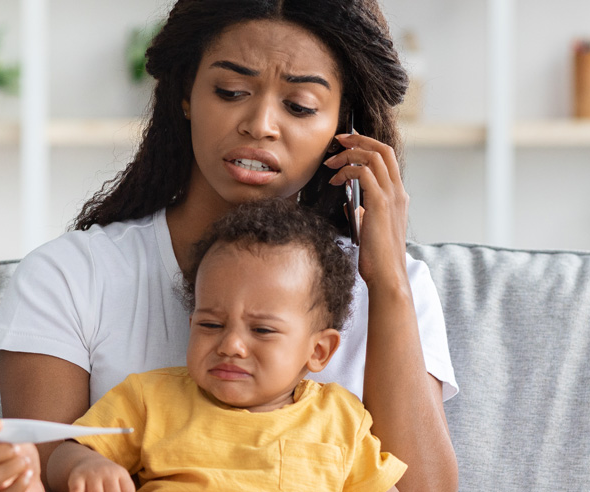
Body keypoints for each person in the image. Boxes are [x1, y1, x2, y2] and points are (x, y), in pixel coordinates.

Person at [0, 0, 459, 491]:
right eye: (231, 92)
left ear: (343, 127)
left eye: (300, 106)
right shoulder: (71, 276)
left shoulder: (396, 288)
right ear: (186, 94)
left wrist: (389, 280)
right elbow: (50, 469)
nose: (259, 125)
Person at [46, 199, 407, 492]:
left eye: (263, 330)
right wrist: (87, 465)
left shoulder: (340, 418)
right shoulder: (149, 399)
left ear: (318, 351)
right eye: (211, 324)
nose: (231, 345)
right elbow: (65, 454)